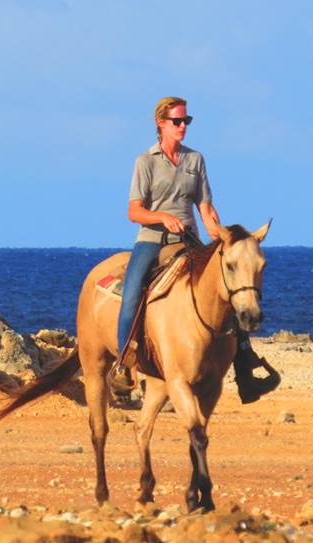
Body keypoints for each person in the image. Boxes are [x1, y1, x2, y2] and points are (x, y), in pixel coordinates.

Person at [111, 97, 268, 404]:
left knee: (228, 290)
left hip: (188, 240)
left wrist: (222, 236)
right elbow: (134, 211)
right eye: (177, 121)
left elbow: (205, 208)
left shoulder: (195, 160)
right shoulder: (145, 161)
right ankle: (123, 363)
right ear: (160, 123)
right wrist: (162, 217)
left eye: (186, 121)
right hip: (152, 240)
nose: (183, 126)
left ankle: (245, 367)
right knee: (132, 292)